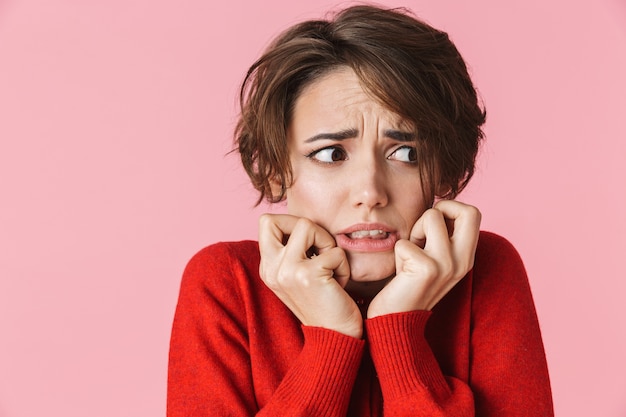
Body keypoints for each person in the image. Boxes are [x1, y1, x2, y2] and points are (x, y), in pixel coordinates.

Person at [167, 5, 554, 416]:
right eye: (331, 154)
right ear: (278, 169)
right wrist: (329, 340)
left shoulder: (487, 271)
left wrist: (399, 334)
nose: (370, 192)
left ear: (442, 170)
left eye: (405, 153)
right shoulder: (227, 285)